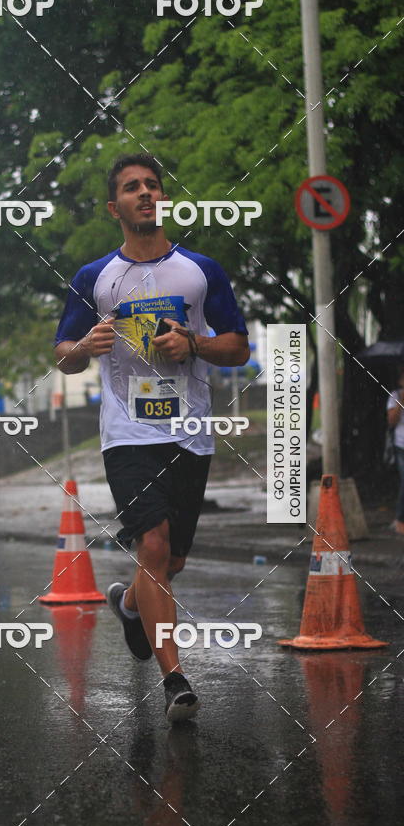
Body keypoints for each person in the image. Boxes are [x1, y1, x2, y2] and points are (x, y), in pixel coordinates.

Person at [54, 153, 249, 723]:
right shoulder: (95, 278)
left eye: (152, 185)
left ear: (162, 199)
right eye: (132, 188)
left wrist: (194, 344)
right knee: (154, 548)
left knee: (170, 562)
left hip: (189, 433)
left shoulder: (199, 271)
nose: (145, 193)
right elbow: (63, 355)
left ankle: (132, 607)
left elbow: (238, 346)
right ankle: (176, 679)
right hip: (127, 434)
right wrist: (83, 350)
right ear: (115, 208)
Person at [387, 367, 404, 535]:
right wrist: (401, 403)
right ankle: (399, 519)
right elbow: (391, 421)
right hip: (401, 445)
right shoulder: (395, 396)